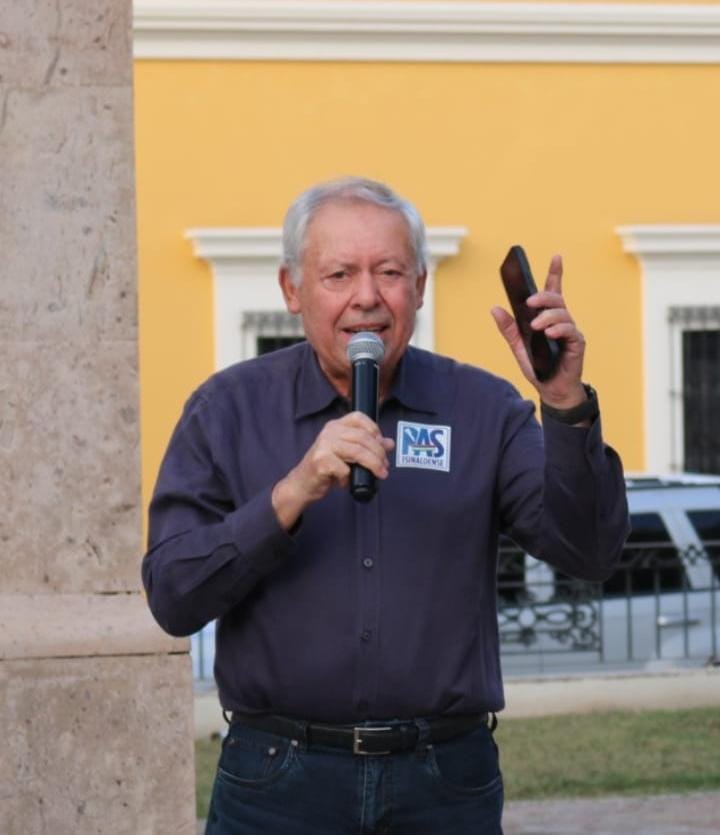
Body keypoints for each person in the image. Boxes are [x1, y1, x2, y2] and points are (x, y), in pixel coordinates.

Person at [142, 176, 629, 834]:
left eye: (390, 272)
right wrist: (291, 493)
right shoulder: (226, 410)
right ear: (292, 289)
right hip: (277, 782)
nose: (367, 296)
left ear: (420, 287)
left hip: (443, 782)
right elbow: (174, 596)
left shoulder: (483, 409)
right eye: (339, 274)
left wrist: (566, 403)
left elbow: (589, 552)